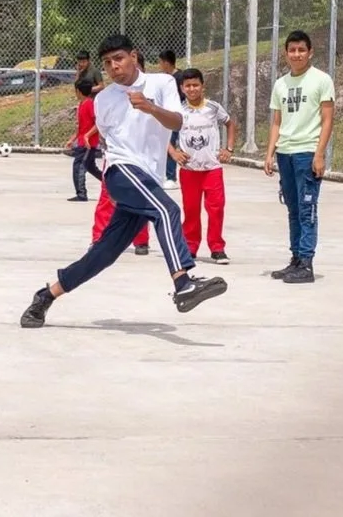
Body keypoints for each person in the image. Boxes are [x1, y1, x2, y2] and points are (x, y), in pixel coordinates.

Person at [20, 34, 226, 327]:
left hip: (147, 178)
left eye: (118, 59)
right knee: (168, 210)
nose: (114, 67)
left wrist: (150, 107)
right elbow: (109, 142)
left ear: (133, 55)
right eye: (107, 63)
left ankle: (45, 296)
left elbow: (178, 122)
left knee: (104, 253)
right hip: (121, 171)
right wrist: (118, 186)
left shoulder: (162, 83)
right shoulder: (103, 99)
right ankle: (183, 283)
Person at [263, 29, 335, 284]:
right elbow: (276, 122)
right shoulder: (281, 84)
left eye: (301, 50)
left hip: (307, 153)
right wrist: (270, 152)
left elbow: (327, 120)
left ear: (310, 52)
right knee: (292, 209)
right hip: (286, 153)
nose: (296, 54)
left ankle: (306, 263)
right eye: (292, 50)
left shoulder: (321, 80)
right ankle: (295, 259)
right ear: (286, 53)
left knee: (307, 209)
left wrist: (319, 154)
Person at [172, 67, 233, 265]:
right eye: (187, 86)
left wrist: (228, 148)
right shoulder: (178, 110)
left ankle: (217, 248)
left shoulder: (213, 108)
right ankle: (190, 247)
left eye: (195, 85)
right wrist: (173, 152)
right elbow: (163, 132)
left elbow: (230, 124)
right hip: (189, 170)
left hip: (212, 168)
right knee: (191, 210)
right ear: (182, 88)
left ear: (202, 86)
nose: (192, 89)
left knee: (216, 209)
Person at [69, 75, 100, 202]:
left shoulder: (89, 104)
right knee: (90, 167)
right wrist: (73, 138)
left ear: (78, 91)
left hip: (88, 143)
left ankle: (81, 194)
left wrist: (88, 136)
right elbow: (81, 126)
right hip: (82, 141)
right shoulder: (81, 104)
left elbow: (98, 123)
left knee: (79, 166)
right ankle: (109, 183)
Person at [158, 48, 183, 185]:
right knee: (168, 144)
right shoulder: (164, 78)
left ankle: (171, 177)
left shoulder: (178, 78)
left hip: (177, 116)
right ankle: (168, 175)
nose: (159, 66)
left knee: (172, 143)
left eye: (160, 63)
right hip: (167, 116)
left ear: (166, 63)